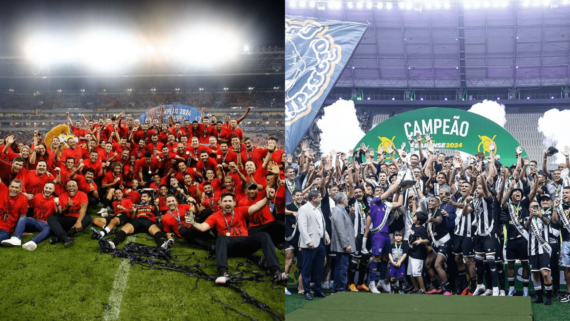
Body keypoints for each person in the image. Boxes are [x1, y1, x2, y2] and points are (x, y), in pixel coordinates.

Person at [187, 187, 286, 286]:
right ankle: (223, 273)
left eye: (230, 201)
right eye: (225, 201)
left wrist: (268, 198)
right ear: (220, 204)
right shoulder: (215, 216)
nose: (228, 203)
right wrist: (193, 223)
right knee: (220, 238)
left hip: (245, 243)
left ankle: (275, 272)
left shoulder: (241, 210)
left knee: (264, 235)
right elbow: (203, 227)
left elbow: (257, 206)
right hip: (229, 247)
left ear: (234, 203)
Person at [97, 191, 171, 250]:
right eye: (142, 196)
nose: (142, 198)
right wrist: (134, 211)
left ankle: (163, 244)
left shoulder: (153, 206)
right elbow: (132, 218)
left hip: (148, 220)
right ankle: (112, 244)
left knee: (156, 230)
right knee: (125, 228)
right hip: (137, 220)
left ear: (149, 198)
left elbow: (158, 217)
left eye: (145, 196)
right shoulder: (136, 205)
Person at [1, 181, 58, 250]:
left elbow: (58, 213)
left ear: (53, 190)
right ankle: (17, 238)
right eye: (46, 188)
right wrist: (20, 229)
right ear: (43, 188)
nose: (48, 190)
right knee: (23, 219)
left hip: (45, 223)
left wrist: (58, 204)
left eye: (50, 188)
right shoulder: (37, 196)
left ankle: (33, 242)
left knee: (49, 227)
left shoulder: (55, 200)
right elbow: (26, 211)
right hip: (34, 221)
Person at [297, 190, 330, 300]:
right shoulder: (303, 209)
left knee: (319, 268)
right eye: (319, 197)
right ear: (313, 198)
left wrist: (326, 235)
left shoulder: (318, 210)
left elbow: (321, 225)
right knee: (307, 269)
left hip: (320, 243)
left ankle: (318, 290)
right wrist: (307, 241)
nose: (321, 198)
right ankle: (307, 291)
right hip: (310, 244)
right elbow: (302, 227)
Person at [47, 180, 92, 248]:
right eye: (69, 186)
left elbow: (83, 208)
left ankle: (61, 237)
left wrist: (78, 222)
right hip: (66, 219)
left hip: (77, 218)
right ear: (67, 188)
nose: (71, 188)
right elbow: (60, 212)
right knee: (51, 218)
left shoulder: (82, 194)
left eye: (73, 186)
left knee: (88, 218)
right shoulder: (62, 196)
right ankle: (65, 238)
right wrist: (67, 206)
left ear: (77, 187)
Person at [525, 200, 553, 305]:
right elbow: (526, 226)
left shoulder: (545, 216)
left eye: (536, 206)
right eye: (532, 207)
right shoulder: (527, 218)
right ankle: (539, 297)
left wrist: (540, 216)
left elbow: (548, 222)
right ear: (529, 209)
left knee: (545, 274)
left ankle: (549, 297)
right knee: (535, 274)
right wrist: (532, 217)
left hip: (544, 250)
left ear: (539, 208)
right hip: (532, 250)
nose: (534, 208)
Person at [330, 192, 355, 293]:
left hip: (342, 245)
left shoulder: (341, 210)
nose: (347, 200)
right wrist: (346, 245)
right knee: (342, 268)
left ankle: (337, 288)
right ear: (343, 200)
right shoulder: (338, 211)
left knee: (340, 267)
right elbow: (340, 230)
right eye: (346, 198)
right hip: (342, 246)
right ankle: (340, 290)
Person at [408, 211, 429, 294]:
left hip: (418, 254)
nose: (413, 218)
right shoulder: (413, 226)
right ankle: (416, 289)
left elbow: (428, 240)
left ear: (419, 220)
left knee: (417, 273)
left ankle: (423, 289)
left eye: (415, 217)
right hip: (411, 253)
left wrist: (421, 241)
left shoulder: (422, 229)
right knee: (411, 273)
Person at [388, 230, 408, 294]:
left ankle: (400, 290)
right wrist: (392, 262)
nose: (398, 237)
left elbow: (405, 254)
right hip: (393, 263)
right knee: (392, 277)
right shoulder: (391, 245)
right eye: (396, 236)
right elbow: (389, 254)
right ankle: (392, 290)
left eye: (400, 236)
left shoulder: (404, 245)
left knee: (400, 277)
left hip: (401, 263)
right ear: (394, 237)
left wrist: (400, 262)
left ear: (402, 237)